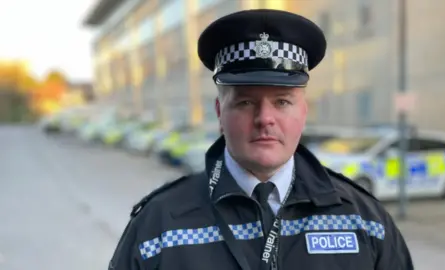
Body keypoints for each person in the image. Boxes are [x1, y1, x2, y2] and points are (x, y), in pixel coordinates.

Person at [108, 9, 414, 270]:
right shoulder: (159, 226)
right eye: (245, 102)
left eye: (282, 102)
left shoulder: (364, 220)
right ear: (219, 112)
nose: (265, 118)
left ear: (304, 112)